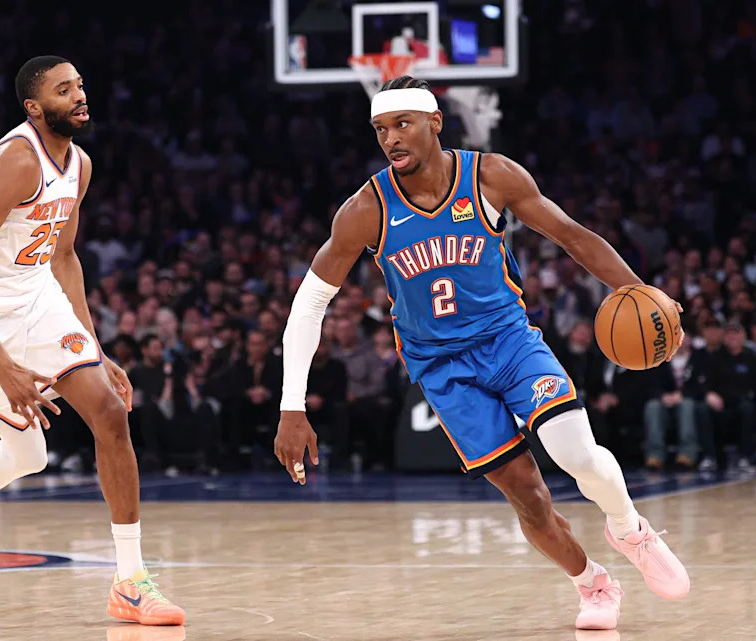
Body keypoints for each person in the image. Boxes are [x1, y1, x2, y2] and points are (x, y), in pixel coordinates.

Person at [274, 76, 689, 632]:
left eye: (402, 124)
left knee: (577, 454)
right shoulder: (365, 210)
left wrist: (640, 291)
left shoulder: (490, 175)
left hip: (510, 342)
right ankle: (592, 582)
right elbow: (308, 306)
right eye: (380, 130)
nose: (391, 139)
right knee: (528, 497)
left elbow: (570, 234)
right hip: (442, 369)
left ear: (435, 122)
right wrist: (291, 406)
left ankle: (629, 528)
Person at [0, 56, 184, 625]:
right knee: (30, 456)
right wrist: (5, 367)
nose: (80, 95)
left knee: (111, 414)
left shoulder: (80, 165)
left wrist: (97, 347)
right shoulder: (16, 161)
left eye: (81, 85)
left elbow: (62, 257)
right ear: (35, 108)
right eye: (64, 90)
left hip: (33, 296)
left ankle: (130, 582)